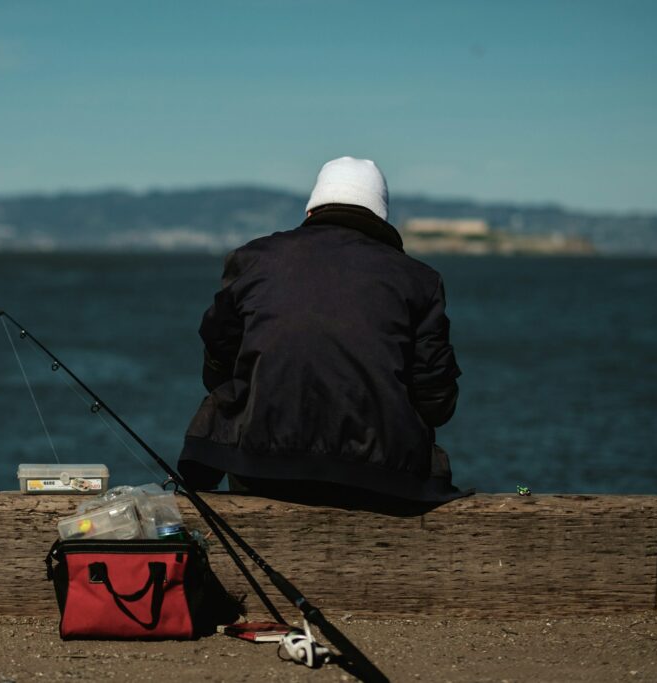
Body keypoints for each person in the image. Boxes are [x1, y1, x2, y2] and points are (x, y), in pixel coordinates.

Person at [178, 157, 470, 513]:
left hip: (263, 468)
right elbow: (437, 403)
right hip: (383, 479)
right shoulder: (420, 280)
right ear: (381, 217)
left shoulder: (253, 259)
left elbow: (217, 361)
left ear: (312, 210)